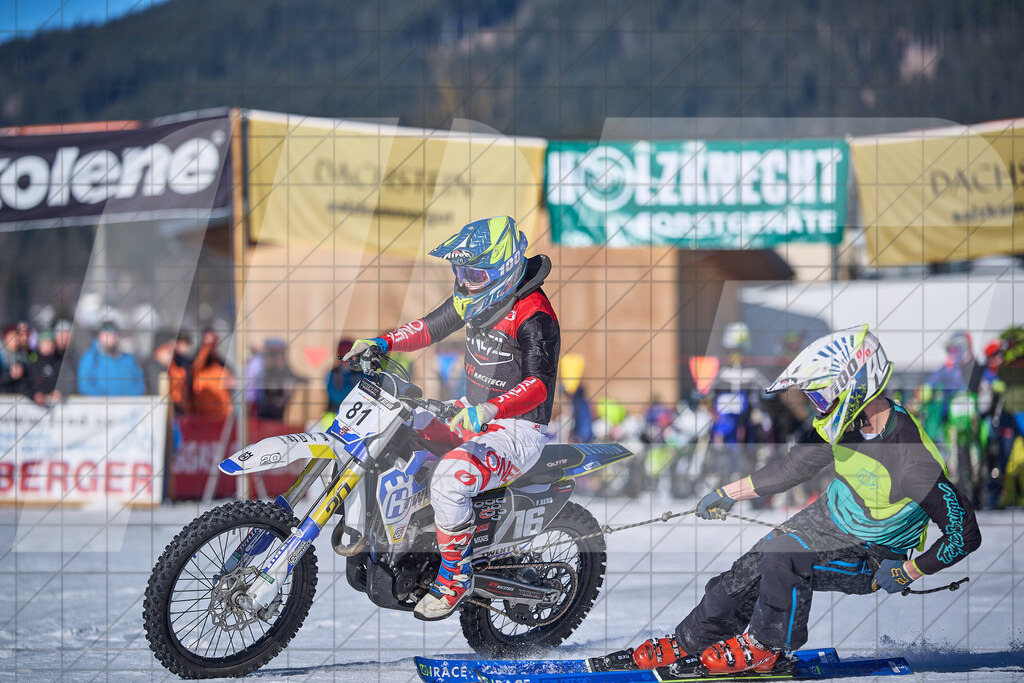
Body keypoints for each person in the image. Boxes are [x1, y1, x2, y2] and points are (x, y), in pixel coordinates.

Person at [614, 325, 981, 677]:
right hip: (828, 518)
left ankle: (766, 647)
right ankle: (692, 640)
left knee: (783, 556)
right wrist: (729, 493)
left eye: (821, 397)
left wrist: (910, 570)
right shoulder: (845, 422)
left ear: (853, 387)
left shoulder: (908, 456)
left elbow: (964, 533)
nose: (818, 408)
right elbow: (792, 469)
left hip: (872, 551)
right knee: (752, 566)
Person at [342, 215, 559, 621]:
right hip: (470, 414)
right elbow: (428, 328)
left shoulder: (534, 314)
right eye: (462, 270)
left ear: (506, 267)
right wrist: (382, 340)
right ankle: (400, 540)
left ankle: (455, 576)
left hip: (516, 429)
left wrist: (490, 409)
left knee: (449, 478)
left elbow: (538, 384)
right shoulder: (474, 298)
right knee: (396, 431)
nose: (467, 280)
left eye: (476, 271)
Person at [77, 321, 146, 396]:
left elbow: (139, 380)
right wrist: (103, 399)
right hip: (102, 405)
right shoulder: (91, 357)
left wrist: (134, 396)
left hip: (129, 405)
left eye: (114, 334)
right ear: (100, 336)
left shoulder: (127, 358)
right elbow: (85, 385)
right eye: (107, 334)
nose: (111, 338)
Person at [251, 338, 300, 420]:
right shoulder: (264, 370)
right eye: (277, 354)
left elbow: (294, 377)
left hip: (277, 415)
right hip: (264, 413)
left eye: (281, 354)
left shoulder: (284, 370)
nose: (280, 357)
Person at [190, 330, 235, 417]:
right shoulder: (198, 367)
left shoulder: (221, 367)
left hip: (222, 415)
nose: (213, 348)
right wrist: (207, 345)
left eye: (215, 344)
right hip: (202, 416)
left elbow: (231, 384)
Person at [25, 329, 66, 406]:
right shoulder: (33, 363)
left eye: (51, 342)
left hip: (57, 406)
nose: (49, 345)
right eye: (46, 342)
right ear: (40, 345)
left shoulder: (60, 362)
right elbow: (25, 384)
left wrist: (61, 391)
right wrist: (34, 395)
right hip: (35, 408)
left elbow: (68, 381)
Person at [326, 338, 360, 414]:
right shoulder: (332, 373)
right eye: (342, 353)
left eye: (348, 353)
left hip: (354, 413)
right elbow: (335, 396)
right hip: (333, 413)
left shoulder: (360, 373)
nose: (345, 357)